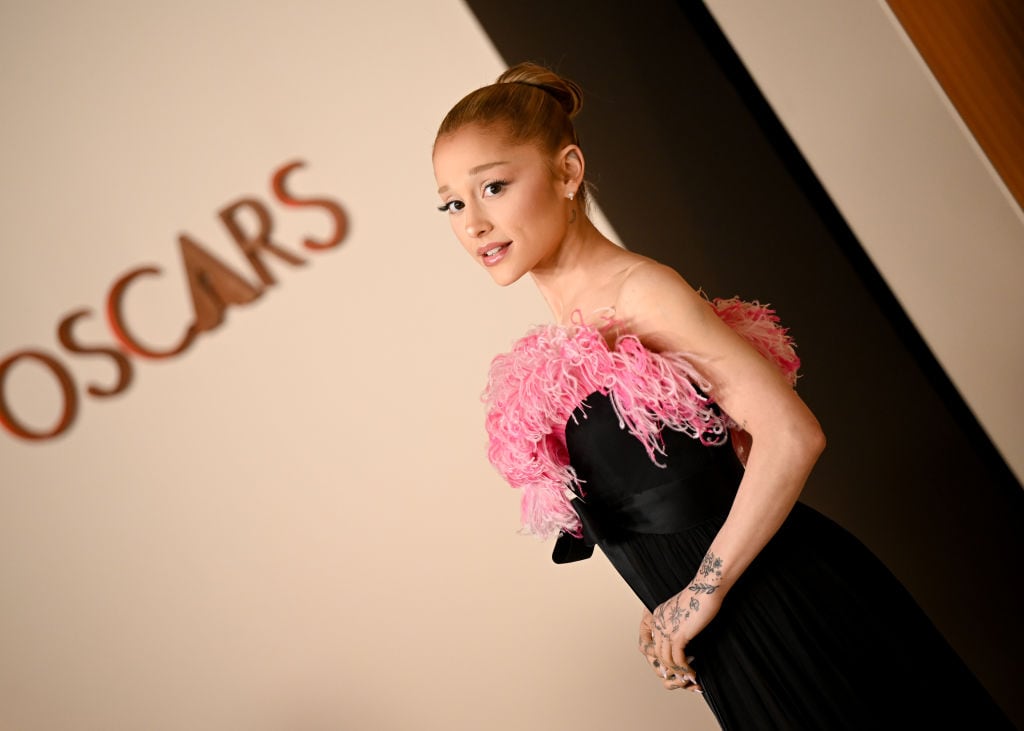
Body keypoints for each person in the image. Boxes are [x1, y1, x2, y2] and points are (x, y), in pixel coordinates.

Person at [431, 62, 1014, 730]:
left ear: (567, 173)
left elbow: (792, 434)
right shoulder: (572, 330)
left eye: (494, 187)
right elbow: (686, 489)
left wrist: (701, 591)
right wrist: (665, 602)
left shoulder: (641, 294)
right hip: (735, 637)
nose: (473, 223)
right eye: (452, 203)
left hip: (790, 610)